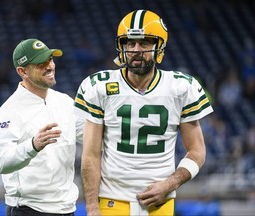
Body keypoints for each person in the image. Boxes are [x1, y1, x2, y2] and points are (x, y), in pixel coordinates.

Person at [74, 10, 213, 216]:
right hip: (112, 198)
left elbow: (197, 151)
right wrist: (92, 208)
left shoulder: (180, 87)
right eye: (130, 43)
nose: (136, 50)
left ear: (160, 47)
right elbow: (90, 154)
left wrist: (169, 184)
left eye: (144, 43)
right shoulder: (100, 86)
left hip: (160, 201)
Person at [0, 38, 83, 216]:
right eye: (40, 63)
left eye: (50, 59)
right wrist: (32, 145)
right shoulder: (10, 110)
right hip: (29, 209)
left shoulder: (64, 102)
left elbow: (90, 136)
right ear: (22, 71)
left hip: (67, 208)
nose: (49, 66)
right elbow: (0, 161)